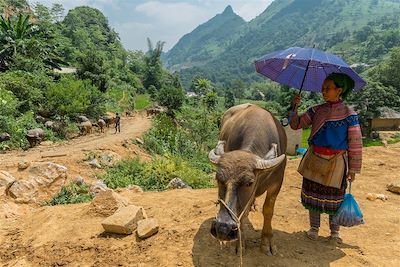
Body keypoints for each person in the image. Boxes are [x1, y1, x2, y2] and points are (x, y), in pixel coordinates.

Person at [290, 73, 363, 242]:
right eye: (323, 88)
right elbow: (296, 124)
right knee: (312, 194)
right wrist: (294, 107)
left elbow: (355, 143)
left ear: (339, 90)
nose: (323, 91)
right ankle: (314, 228)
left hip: (337, 162)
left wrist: (353, 169)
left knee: (335, 198)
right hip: (315, 158)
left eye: (328, 88)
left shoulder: (349, 114)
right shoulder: (316, 110)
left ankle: (334, 232)